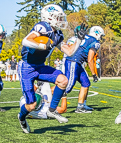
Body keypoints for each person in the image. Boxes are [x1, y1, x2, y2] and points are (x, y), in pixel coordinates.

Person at [17, 4, 87, 133]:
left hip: (40, 66)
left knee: (63, 81)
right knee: (31, 105)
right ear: (49, 18)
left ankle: (52, 110)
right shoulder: (43, 27)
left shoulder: (58, 34)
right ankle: (21, 118)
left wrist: (78, 39)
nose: (61, 21)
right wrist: (43, 45)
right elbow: (26, 41)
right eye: (58, 18)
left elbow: (69, 51)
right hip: (27, 67)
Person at [64, 25, 105, 113]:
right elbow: (90, 60)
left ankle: (81, 106)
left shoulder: (85, 37)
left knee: (85, 83)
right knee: (66, 87)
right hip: (73, 61)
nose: (101, 37)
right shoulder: (94, 41)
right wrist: (94, 74)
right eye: (101, 35)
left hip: (77, 62)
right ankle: (45, 96)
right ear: (97, 33)